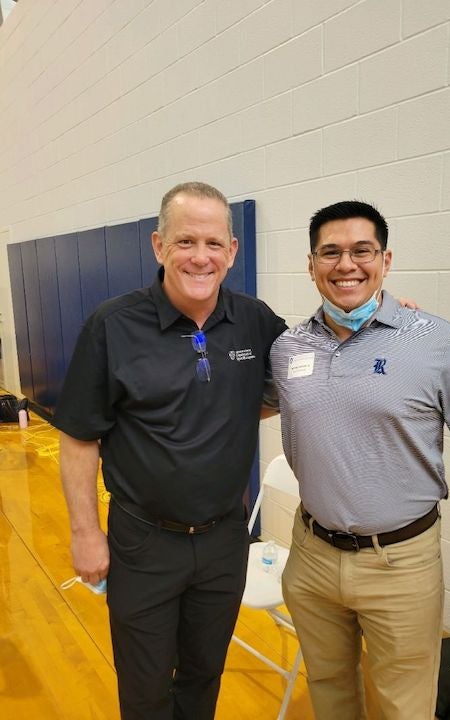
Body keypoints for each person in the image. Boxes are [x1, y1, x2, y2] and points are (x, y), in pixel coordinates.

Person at [51, 181, 287, 720]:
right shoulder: (113, 325)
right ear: (159, 246)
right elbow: (78, 436)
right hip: (143, 544)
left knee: (204, 674)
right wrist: (86, 533)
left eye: (212, 243)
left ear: (232, 251)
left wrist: (382, 313)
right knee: (145, 687)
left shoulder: (255, 320)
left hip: (226, 538)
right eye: (185, 242)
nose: (199, 257)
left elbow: (312, 365)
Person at [269, 200, 450, 720]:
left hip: (400, 563)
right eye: (330, 252)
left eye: (362, 250)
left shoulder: (436, 342)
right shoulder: (288, 348)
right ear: (311, 265)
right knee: (330, 690)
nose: (346, 265)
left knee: (405, 707)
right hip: (311, 555)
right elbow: (244, 406)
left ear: (386, 259)